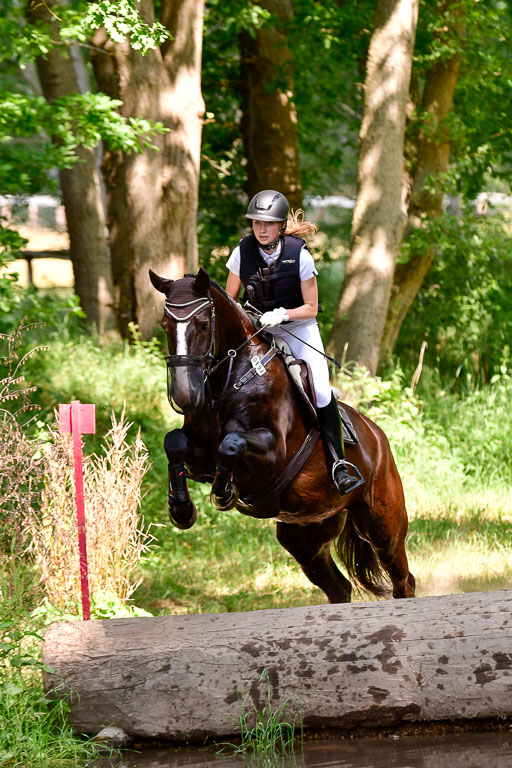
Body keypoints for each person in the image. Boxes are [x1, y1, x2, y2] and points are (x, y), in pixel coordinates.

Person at [226, 188, 364, 496]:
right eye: (256, 223)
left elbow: (311, 307)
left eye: (268, 224)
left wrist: (282, 315)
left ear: (279, 226)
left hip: (298, 329)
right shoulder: (241, 253)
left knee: (320, 388)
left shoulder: (299, 254)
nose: (261, 229)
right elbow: (230, 300)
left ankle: (338, 463)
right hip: (258, 329)